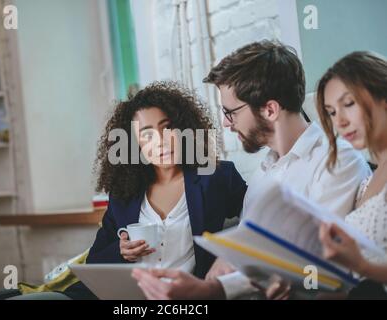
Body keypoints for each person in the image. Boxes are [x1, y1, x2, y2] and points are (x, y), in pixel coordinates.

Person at [132, 41, 372, 300]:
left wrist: (215, 289)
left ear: (270, 109)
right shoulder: (262, 175)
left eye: (230, 112)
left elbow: (321, 266)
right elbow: (253, 257)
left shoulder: (336, 161)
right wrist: (224, 263)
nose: (225, 123)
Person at [61, 81, 248, 299]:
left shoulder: (216, 177)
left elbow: (258, 220)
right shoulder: (125, 192)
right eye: (147, 134)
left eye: (167, 127)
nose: (160, 142)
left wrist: (226, 259)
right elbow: (95, 261)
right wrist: (121, 251)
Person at [316, 51, 387, 299]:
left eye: (348, 104)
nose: (340, 121)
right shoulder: (367, 181)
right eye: (331, 112)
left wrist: (363, 267)